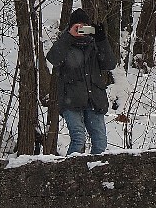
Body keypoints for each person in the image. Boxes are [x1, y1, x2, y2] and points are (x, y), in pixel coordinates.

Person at [46, 8, 116, 155]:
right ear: (70, 27)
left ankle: (94, 174)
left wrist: (102, 39)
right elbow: (53, 58)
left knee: (100, 143)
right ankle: (69, 174)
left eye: (85, 26)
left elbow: (110, 64)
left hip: (94, 100)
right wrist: (68, 36)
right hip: (71, 100)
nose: (81, 29)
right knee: (78, 139)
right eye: (77, 26)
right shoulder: (64, 44)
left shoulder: (95, 44)